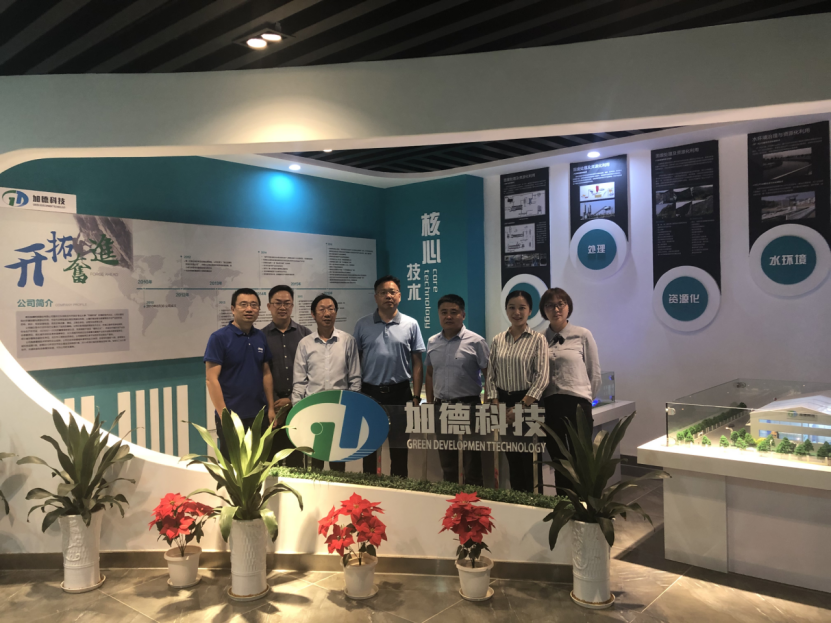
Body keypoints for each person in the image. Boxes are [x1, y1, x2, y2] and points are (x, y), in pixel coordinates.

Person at [353, 275, 425, 478]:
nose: (388, 296)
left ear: (399, 296)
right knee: (369, 445)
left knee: (399, 446)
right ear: (376, 297)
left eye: (392, 292)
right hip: (370, 392)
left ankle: (399, 486)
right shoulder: (362, 324)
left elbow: (417, 362)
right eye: (383, 292)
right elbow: (356, 360)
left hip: (400, 392)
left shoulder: (411, 324)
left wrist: (416, 396)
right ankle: (369, 486)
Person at [485, 290, 549, 492]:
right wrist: (496, 404)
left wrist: (520, 408)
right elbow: (491, 376)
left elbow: (542, 377)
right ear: (506, 310)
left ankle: (534, 504)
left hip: (529, 403)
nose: (517, 312)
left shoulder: (538, 339)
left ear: (530, 311)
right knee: (512, 458)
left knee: (531, 460)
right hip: (503, 404)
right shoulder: (498, 340)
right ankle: (516, 503)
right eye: (512, 307)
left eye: (522, 308)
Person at [540, 287, 600, 492]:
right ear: (544, 310)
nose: (556, 309)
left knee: (580, 458)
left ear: (568, 307)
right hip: (550, 405)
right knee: (558, 459)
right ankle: (564, 501)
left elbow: (594, 373)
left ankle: (583, 503)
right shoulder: (539, 338)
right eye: (550, 305)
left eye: (560, 304)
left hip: (577, 405)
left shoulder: (582, 335)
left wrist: (586, 399)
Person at [292, 293, 362, 472]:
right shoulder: (305, 344)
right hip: (313, 410)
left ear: (336, 313)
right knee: (315, 462)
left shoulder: (348, 341)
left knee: (338, 463)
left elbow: (355, 379)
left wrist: (351, 409)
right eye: (322, 309)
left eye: (331, 309)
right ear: (313, 314)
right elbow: (299, 381)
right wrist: (297, 411)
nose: (327, 313)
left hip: (340, 410)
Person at [425, 294, 489, 486]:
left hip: (469, 408)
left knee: (472, 463)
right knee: (448, 463)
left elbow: (490, 375)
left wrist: (488, 404)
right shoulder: (432, 342)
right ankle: (450, 500)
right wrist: (430, 404)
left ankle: (474, 502)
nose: (448, 316)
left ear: (463, 315)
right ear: (438, 315)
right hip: (441, 408)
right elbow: (430, 373)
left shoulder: (476, 341)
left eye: (454, 312)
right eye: (444, 312)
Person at [204, 288, 275, 460]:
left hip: (259, 416)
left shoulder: (260, 337)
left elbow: (266, 373)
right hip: (232, 417)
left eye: (254, 305)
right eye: (243, 305)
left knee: (258, 464)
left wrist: (271, 408)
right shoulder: (219, 338)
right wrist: (224, 416)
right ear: (233, 309)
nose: (249, 309)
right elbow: (211, 379)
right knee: (233, 467)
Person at [263, 285, 311, 467]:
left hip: (298, 406)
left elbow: (311, 372)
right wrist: (275, 403)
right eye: (278, 303)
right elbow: (260, 373)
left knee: (296, 461)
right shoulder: (260, 337)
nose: (282, 307)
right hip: (270, 409)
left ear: (292, 306)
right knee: (270, 462)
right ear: (269, 306)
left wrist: (291, 400)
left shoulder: (305, 335)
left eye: (287, 303)